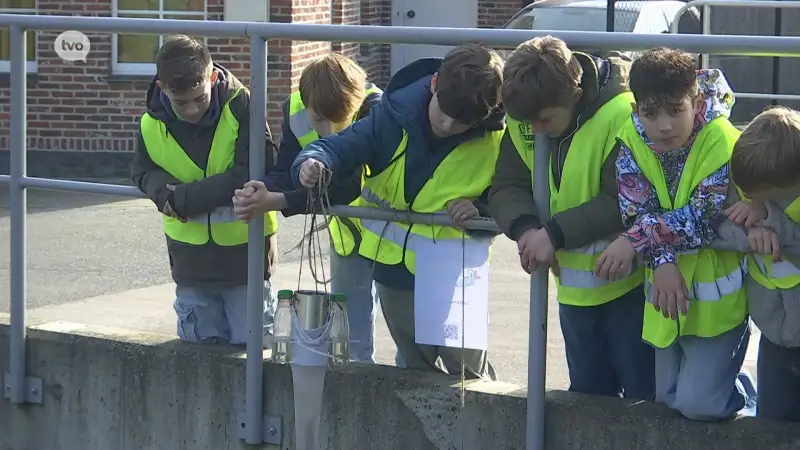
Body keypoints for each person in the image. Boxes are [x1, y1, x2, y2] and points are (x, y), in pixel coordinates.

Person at [289, 44, 505, 379]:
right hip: (395, 274)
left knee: (468, 375)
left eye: (462, 122)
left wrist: (482, 209)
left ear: (484, 115)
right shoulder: (391, 117)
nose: (447, 125)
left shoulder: (498, 138)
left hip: (455, 275)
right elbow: (340, 145)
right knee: (413, 372)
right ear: (434, 84)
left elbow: (514, 195)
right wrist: (313, 161)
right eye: (444, 112)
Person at [488, 36, 654, 399]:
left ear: (576, 95)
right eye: (527, 121)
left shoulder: (621, 113)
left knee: (645, 396)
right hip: (574, 292)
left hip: (631, 289)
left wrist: (553, 234)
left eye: (544, 119)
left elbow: (624, 198)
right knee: (587, 398)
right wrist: (525, 228)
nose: (535, 128)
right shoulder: (527, 114)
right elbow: (506, 185)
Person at [596, 47, 755, 421]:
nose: (664, 125)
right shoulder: (631, 138)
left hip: (716, 304)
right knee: (668, 400)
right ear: (636, 111)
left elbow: (702, 218)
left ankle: (746, 398)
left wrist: (635, 239)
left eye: (675, 110)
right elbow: (636, 208)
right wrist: (663, 260)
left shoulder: (721, 139)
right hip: (666, 298)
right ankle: (729, 383)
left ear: (696, 102)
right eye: (651, 114)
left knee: (699, 405)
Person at [231, 53, 390, 364]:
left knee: (411, 341)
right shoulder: (295, 110)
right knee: (350, 345)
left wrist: (278, 200)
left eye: (340, 119)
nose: (329, 131)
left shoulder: (378, 108)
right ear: (306, 104)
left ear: (356, 101)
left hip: (394, 238)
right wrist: (261, 188)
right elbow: (284, 169)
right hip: (349, 241)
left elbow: (349, 187)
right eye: (319, 119)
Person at [131, 35, 279, 346]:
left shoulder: (242, 105)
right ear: (161, 88)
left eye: (200, 98)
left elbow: (256, 168)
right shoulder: (150, 123)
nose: (191, 110)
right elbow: (142, 172)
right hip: (191, 263)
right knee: (198, 358)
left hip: (245, 260)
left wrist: (183, 199)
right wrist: (163, 193)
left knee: (254, 355)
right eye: (181, 102)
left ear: (212, 78)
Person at [726, 106, 800, 423]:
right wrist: (752, 231)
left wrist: (769, 217)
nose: (749, 198)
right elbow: (721, 221)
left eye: (763, 195)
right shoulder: (750, 180)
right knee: (771, 420)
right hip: (772, 333)